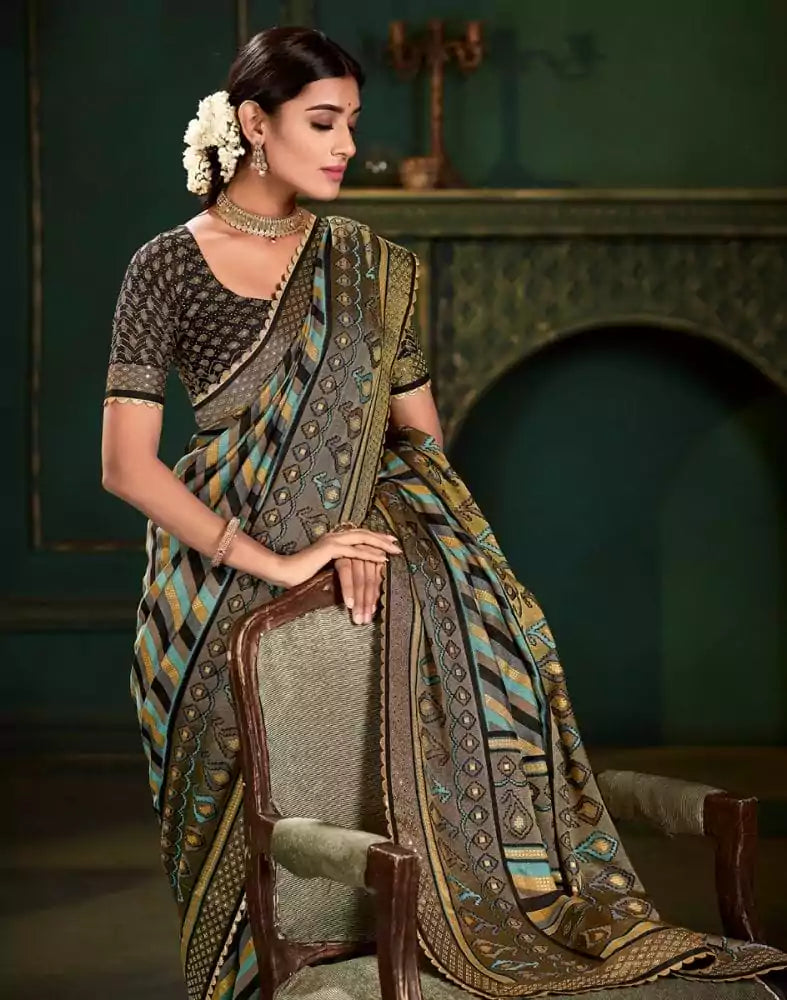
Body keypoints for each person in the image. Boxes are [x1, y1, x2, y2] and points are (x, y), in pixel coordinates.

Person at [102, 26, 786, 1000]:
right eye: (323, 122)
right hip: (209, 584)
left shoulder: (369, 263)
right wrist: (281, 561)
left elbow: (417, 442)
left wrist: (376, 529)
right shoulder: (166, 266)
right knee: (235, 802)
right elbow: (125, 465)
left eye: (353, 122)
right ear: (254, 123)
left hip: (370, 542)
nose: (347, 145)